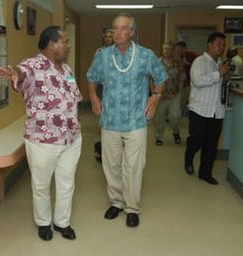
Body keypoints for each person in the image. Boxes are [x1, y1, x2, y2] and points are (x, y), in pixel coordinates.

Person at [0, 26, 82, 241]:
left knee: (67, 183)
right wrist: (16, 75)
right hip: (44, 140)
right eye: (65, 41)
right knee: (42, 184)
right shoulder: (32, 65)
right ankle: (43, 223)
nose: (69, 45)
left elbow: (74, 97)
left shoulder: (67, 69)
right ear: (51, 44)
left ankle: (62, 222)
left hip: (71, 138)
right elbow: (22, 75)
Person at [87, 13, 167, 227]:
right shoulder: (103, 56)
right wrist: (94, 97)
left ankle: (132, 208)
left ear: (132, 32)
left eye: (123, 28)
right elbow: (91, 78)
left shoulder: (145, 55)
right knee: (111, 165)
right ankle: (116, 203)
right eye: (115, 28)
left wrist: (155, 96)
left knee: (134, 166)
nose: (118, 32)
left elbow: (161, 77)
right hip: (110, 119)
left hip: (136, 121)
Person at [184, 32, 230, 185]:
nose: (221, 48)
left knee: (211, 144)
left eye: (223, 45)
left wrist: (226, 78)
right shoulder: (199, 62)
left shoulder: (221, 64)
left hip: (217, 111)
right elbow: (197, 81)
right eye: (218, 44)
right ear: (209, 45)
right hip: (199, 109)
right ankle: (189, 157)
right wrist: (219, 74)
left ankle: (205, 173)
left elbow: (221, 85)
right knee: (197, 140)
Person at [154, 41, 186, 146]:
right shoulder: (157, 63)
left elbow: (182, 77)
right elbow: (151, 79)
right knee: (160, 117)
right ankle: (159, 137)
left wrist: (180, 90)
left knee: (174, 116)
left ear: (172, 50)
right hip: (161, 95)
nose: (166, 51)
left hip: (174, 94)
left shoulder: (178, 63)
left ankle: (176, 132)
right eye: (164, 49)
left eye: (168, 49)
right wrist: (154, 93)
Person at [93, 28, 114, 162]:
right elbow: (94, 72)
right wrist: (94, 94)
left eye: (110, 37)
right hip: (102, 87)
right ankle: (103, 148)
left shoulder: (119, 51)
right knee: (104, 117)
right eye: (105, 37)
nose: (107, 38)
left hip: (116, 88)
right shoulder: (99, 52)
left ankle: (112, 148)